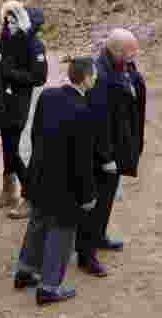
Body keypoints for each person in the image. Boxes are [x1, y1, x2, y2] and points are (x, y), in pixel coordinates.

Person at [14, 58, 98, 306]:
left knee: (37, 223)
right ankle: (49, 288)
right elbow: (82, 159)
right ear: (85, 78)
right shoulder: (84, 111)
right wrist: (87, 195)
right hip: (66, 185)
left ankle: (25, 271)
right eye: (93, 75)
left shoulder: (48, 96)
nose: (95, 79)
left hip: (40, 174)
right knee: (61, 235)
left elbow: (35, 134)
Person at [76, 28, 147, 276]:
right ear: (115, 51)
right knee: (95, 203)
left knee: (107, 199)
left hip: (119, 146)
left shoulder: (122, 66)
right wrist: (105, 157)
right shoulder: (101, 76)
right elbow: (99, 122)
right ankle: (86, 255)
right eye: (130, 51)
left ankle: (99, 237)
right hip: (104, 153)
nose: (134, 55)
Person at [0, 1, 48, 220]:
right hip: (3, 99)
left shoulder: (35, 46)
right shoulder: (8, 39)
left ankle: (31, 196)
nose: (9, 25)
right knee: (7, 148)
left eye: (14, 21)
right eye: (7, 21)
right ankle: (8, 191)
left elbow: (39, 77)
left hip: (19, 103)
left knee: (12, 151)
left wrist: (10, 73)